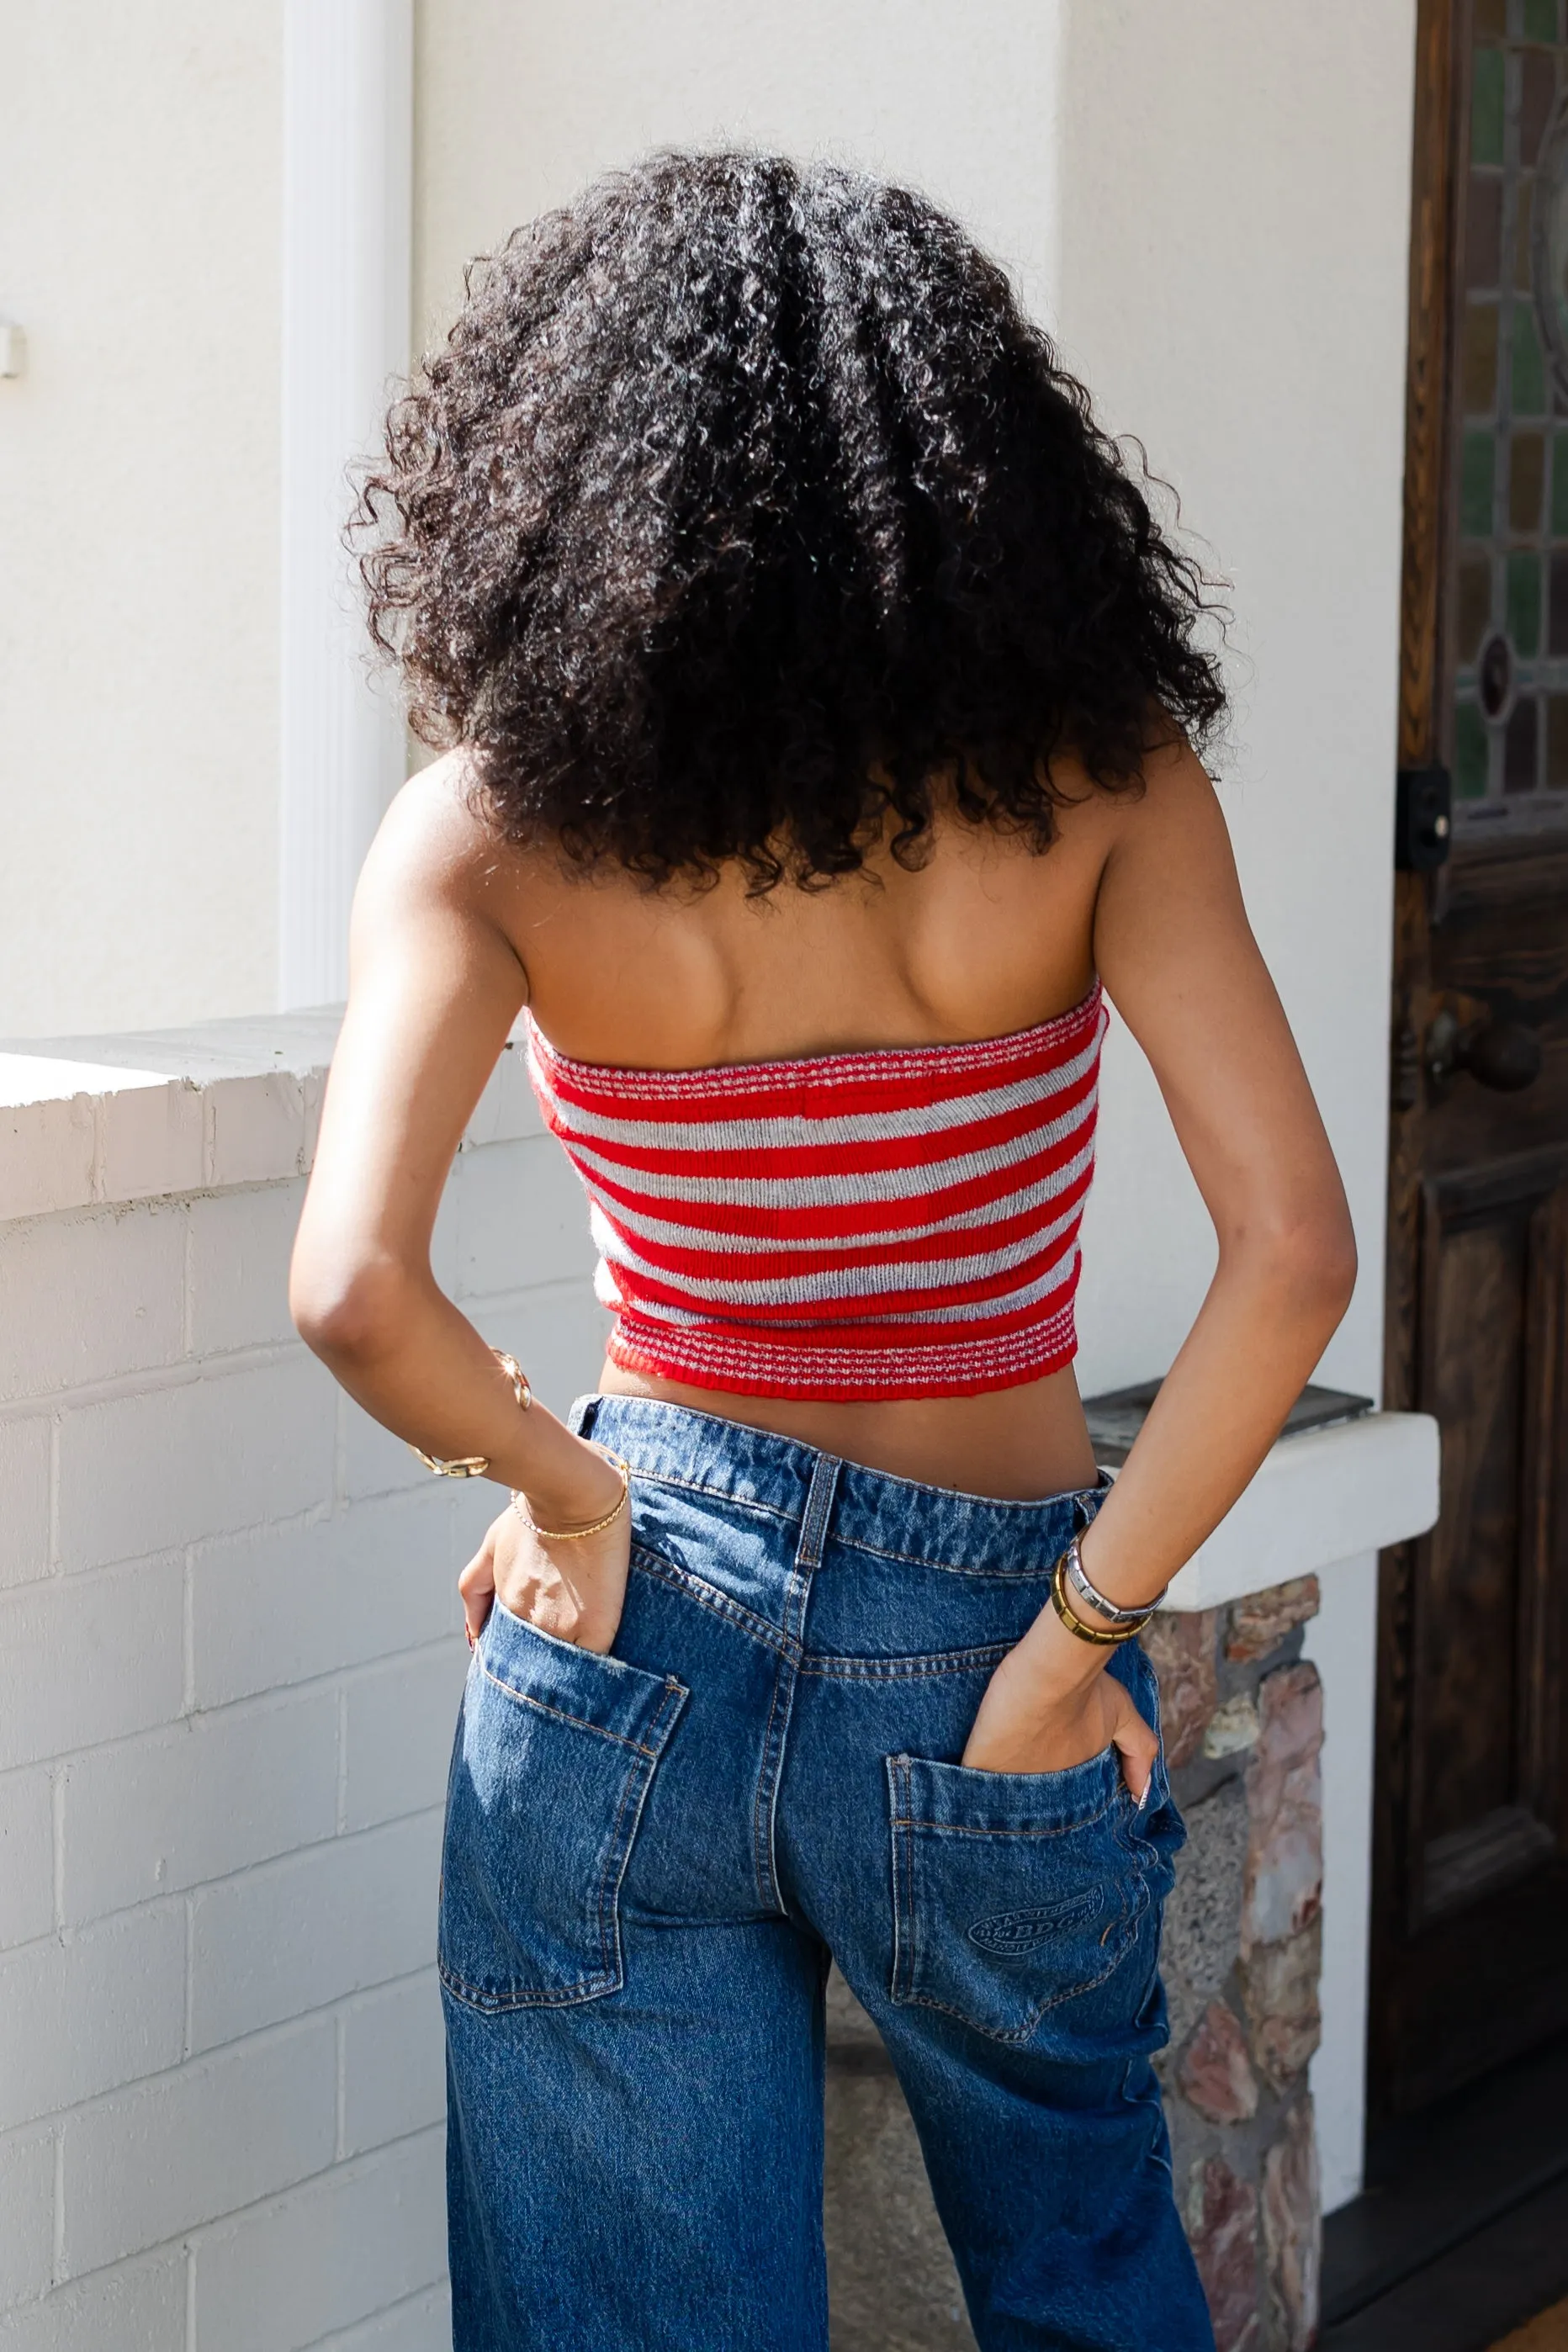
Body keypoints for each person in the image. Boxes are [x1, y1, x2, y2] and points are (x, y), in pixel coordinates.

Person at [290, 151, 1355, 2352]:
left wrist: (568, 1486)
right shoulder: (1107, 783)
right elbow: (1292, 1250)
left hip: (628, 1627)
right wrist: (1074, 1644)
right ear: (973, 470)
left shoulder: (489, 827)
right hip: (984, 1636)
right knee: (1087, 2284)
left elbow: (355, 1291)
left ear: (557, 480)